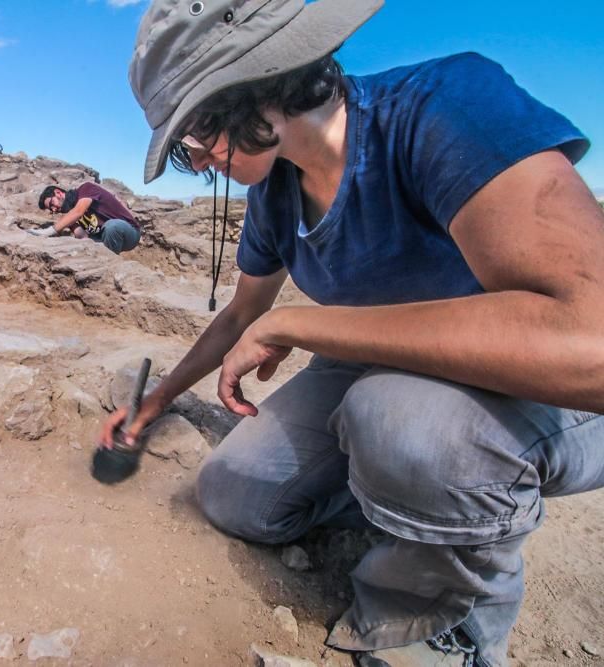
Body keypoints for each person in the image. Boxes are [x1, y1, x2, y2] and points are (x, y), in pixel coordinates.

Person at [101, 0, 604, 665]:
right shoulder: (274, 194)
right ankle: (408, 504)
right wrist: (156, 402)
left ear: (254, 81)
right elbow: (242, 313)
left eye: (195, 130)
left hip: (536, 385)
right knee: (235, 492)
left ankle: (443, 623)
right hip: (376, 373)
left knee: (398, 419)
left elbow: (589, 339)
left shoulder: (443, 107)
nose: (197, 156)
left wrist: (305, 323)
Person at [32, 183, 141, 255]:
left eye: (52, 203)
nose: (54, 209)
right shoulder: (70, 216)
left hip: (129, 233)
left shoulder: (86, 189)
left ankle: (112, 266)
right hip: (104, 238)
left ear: (58, 193)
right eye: (51, 209)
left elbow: (79, 211)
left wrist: (49, 231)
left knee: (111, 226)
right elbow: (83, 237)